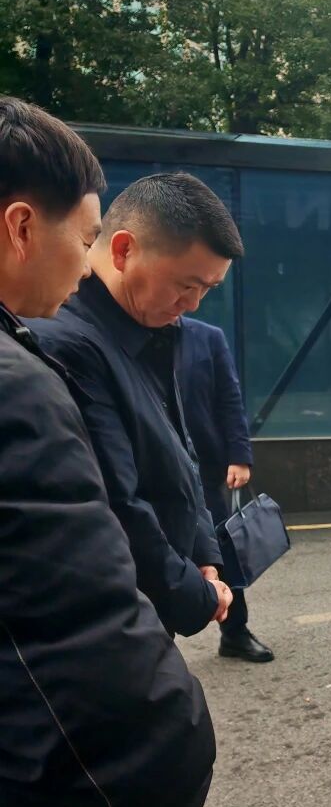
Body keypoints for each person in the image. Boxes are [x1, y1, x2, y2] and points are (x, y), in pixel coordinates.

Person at [0, 96, 214, 807]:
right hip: (50, 784)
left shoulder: (121, 339)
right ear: (22, 226)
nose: (84, 262)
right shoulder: (37, 364)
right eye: (83, 237)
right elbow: (75, 615)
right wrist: (166, 748)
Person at [30, 173, 240, 640]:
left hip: (152, 597)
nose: (194, 304)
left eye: (208, 289)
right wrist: (195, 593)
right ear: (123, 250)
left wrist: (204, 553)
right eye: (186, 284)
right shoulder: (70, 344)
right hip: (111, 616)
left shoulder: (150, 326)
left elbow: (180, 452)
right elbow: (116, 502)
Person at [179, 315, 274, 662]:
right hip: (149, 465)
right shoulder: (122, 336)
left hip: (204, 466)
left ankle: (234, 632)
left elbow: (229, 399)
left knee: (223, 550)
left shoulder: (207, 337)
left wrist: (239, 456)